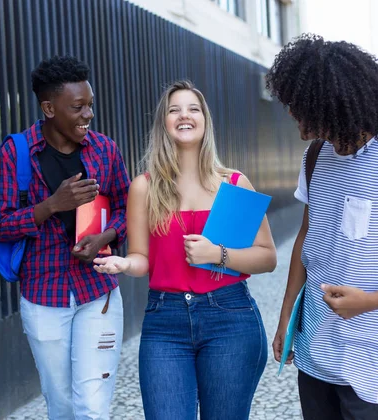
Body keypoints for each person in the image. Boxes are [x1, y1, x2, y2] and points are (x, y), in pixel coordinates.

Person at [267, 34, 378, 420]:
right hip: (315, 349)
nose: (292, 112)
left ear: (326, 101)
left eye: (298, 102)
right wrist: (285, 318)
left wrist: (375, 300)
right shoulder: (315, 157)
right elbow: (305, 239)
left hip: (370, 360)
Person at [93, 80, 276, 420]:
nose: (184, 115)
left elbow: (267, 256)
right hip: (166, 322)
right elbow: (142, 260)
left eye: (193, 108)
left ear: (204, 120)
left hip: (230, 319)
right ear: (164, 122)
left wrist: (217, 255)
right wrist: (123, 263)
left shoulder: (233, 184)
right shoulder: (144, 187)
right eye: (174, 110)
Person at [0, 55, 130, 420]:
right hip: (43, 296)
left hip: (98, 291)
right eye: (78, 107)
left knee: (93, 404)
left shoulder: (104, 149)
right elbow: (0, 225)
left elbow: (127, 205)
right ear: (49, 108)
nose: (88, 115)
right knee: (62, 403)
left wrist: (106, 236)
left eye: (91, 106)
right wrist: (51, 205)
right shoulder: (16, 153)